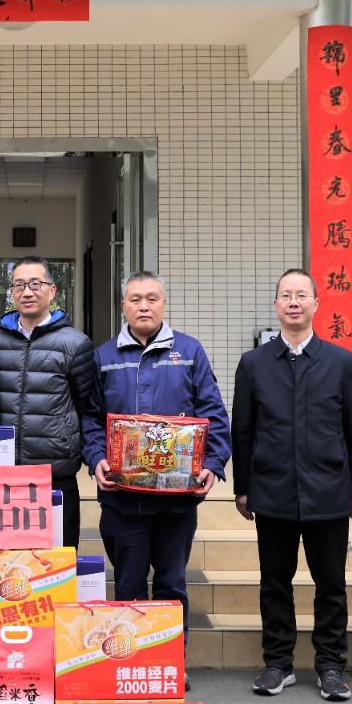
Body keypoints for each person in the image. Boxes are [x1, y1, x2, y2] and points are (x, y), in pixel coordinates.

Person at [232, 268, 352, 701]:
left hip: (329, 490)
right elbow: (243, 430)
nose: (294, 302)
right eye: (286, 295)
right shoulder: (254, 363)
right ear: (276, 305)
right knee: (275, 581)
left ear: (316, 304)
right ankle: (278, 664)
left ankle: (330, 666)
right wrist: (242, 487)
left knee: (331, 584)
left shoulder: (342, 362)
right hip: (271, 490)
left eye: (301, 295)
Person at [91, 271, 231, 664]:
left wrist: (213, 463)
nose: (144, 306)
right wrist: (97, 456)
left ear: (163, 304)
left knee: (171, 585)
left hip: (176, 501)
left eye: (152, 298)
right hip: (122, 500)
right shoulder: (103, 356)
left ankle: (169, 664)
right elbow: (90, 417)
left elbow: (213, 412)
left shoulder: (189, 351)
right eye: (135, 299)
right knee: (129, 586)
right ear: (123, 306)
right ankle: (132, 665)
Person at [0, 257, 105, 550]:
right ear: (12, 293)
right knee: (8, 559)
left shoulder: (76, 344)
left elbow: (86, 406)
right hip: (5, 473)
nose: (27, 292)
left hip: (55, 471)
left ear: (52, 291)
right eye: (19, 285)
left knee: (58, 559)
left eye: (35, 284)